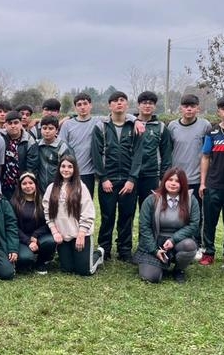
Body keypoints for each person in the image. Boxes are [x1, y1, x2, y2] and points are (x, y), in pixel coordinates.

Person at [91, 91, 142, 263]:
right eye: (114, 101)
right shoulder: (101, 127)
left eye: (122, 100)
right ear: (109, 105)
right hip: (108, 180)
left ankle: (124, 249)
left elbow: (138, 154)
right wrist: (103, 178)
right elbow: (96, 154)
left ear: (127, 104)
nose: (118, 103)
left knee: (127, 216)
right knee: (107, 216)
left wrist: (132, 179)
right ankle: (104, 249)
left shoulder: (134, 127)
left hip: (128, 180)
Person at [135, 168, 200, 283]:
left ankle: (179, 270)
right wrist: (154, 250)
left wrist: (173, 240)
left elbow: (194, 225)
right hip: (155, 243)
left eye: (177, 181)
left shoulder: (191, 200)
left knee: (189, 245)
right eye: (170, 179)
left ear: (183, 184)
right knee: (151, 277)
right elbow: (144, 227)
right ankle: (159, 264)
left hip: (178, 241)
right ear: (164, 181)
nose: (173, 183)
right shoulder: (151, 199)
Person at [198, 95, 224, 266]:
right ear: (218, 112)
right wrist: (203, 183)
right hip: (213, 184)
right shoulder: (212, 132)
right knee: (209, 221)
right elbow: (205, 157)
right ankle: (208, 252)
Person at [43, 156, 101, 276]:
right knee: (67, 269)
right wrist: (55, 232)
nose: (66, 169)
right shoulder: (51, 188)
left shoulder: (81, 187)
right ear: (59, 168)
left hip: (80, 234)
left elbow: (88, 212)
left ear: (75, 169)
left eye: (70, 167)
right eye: (63, 166)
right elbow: (47, 212)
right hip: (63, 236)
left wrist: (81, 234)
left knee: (85, 271)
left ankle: (99, 254)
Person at [167, 94, 211, 247]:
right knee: (175, 213)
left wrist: (204, 180)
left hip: (196, 178)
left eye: (192, 106)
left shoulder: (205, 125)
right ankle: (174, 242)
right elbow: (168, 150)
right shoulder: (172, 126)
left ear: (198, 108)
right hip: (176, 179)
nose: (189, 109)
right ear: (181, 108)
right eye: (186, 106)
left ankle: (197, 244)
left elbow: (207, 153)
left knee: (195, 214)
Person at [12, 172, 55, 274]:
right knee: (25, 259)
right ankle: (27, 258)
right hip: (22, 239)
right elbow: (13, 226)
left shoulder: (43, 200)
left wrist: (36, 234)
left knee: (51, 241)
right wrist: (28, 241)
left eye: (31, 183)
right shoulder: (14, 202)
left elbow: (48, 222)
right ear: (20, 186)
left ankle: (41, 262)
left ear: (35, 184)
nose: (28, 186)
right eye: (24, 183)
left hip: (39, 236)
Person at [134, 91, 172, 206]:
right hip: (131, 175)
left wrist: (163, 178)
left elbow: (166, 155)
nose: (147, 106)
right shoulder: (130, 124)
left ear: (155, 106)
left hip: (152, 175)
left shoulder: (161, 127)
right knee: (127, 212)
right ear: (138, 105)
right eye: (144, 103)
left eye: (150, 103)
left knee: (150, 210)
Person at [0, 111, 39, 199]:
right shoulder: (0, 137)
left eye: (16, 123)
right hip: (3, 185)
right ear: (5, 125)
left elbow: (31, 167)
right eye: (10, 123)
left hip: (21, 186)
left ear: (21, 124)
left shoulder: (29, 141)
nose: (13, 126)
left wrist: (26, 185)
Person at [35, 115, 73, 191]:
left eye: (51, 128)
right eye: (44, 128)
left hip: (58, 187)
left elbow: (69, 168)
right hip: (39, 188)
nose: (47, 131)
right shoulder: (36, 145)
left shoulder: (63, 147)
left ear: (56, 130)